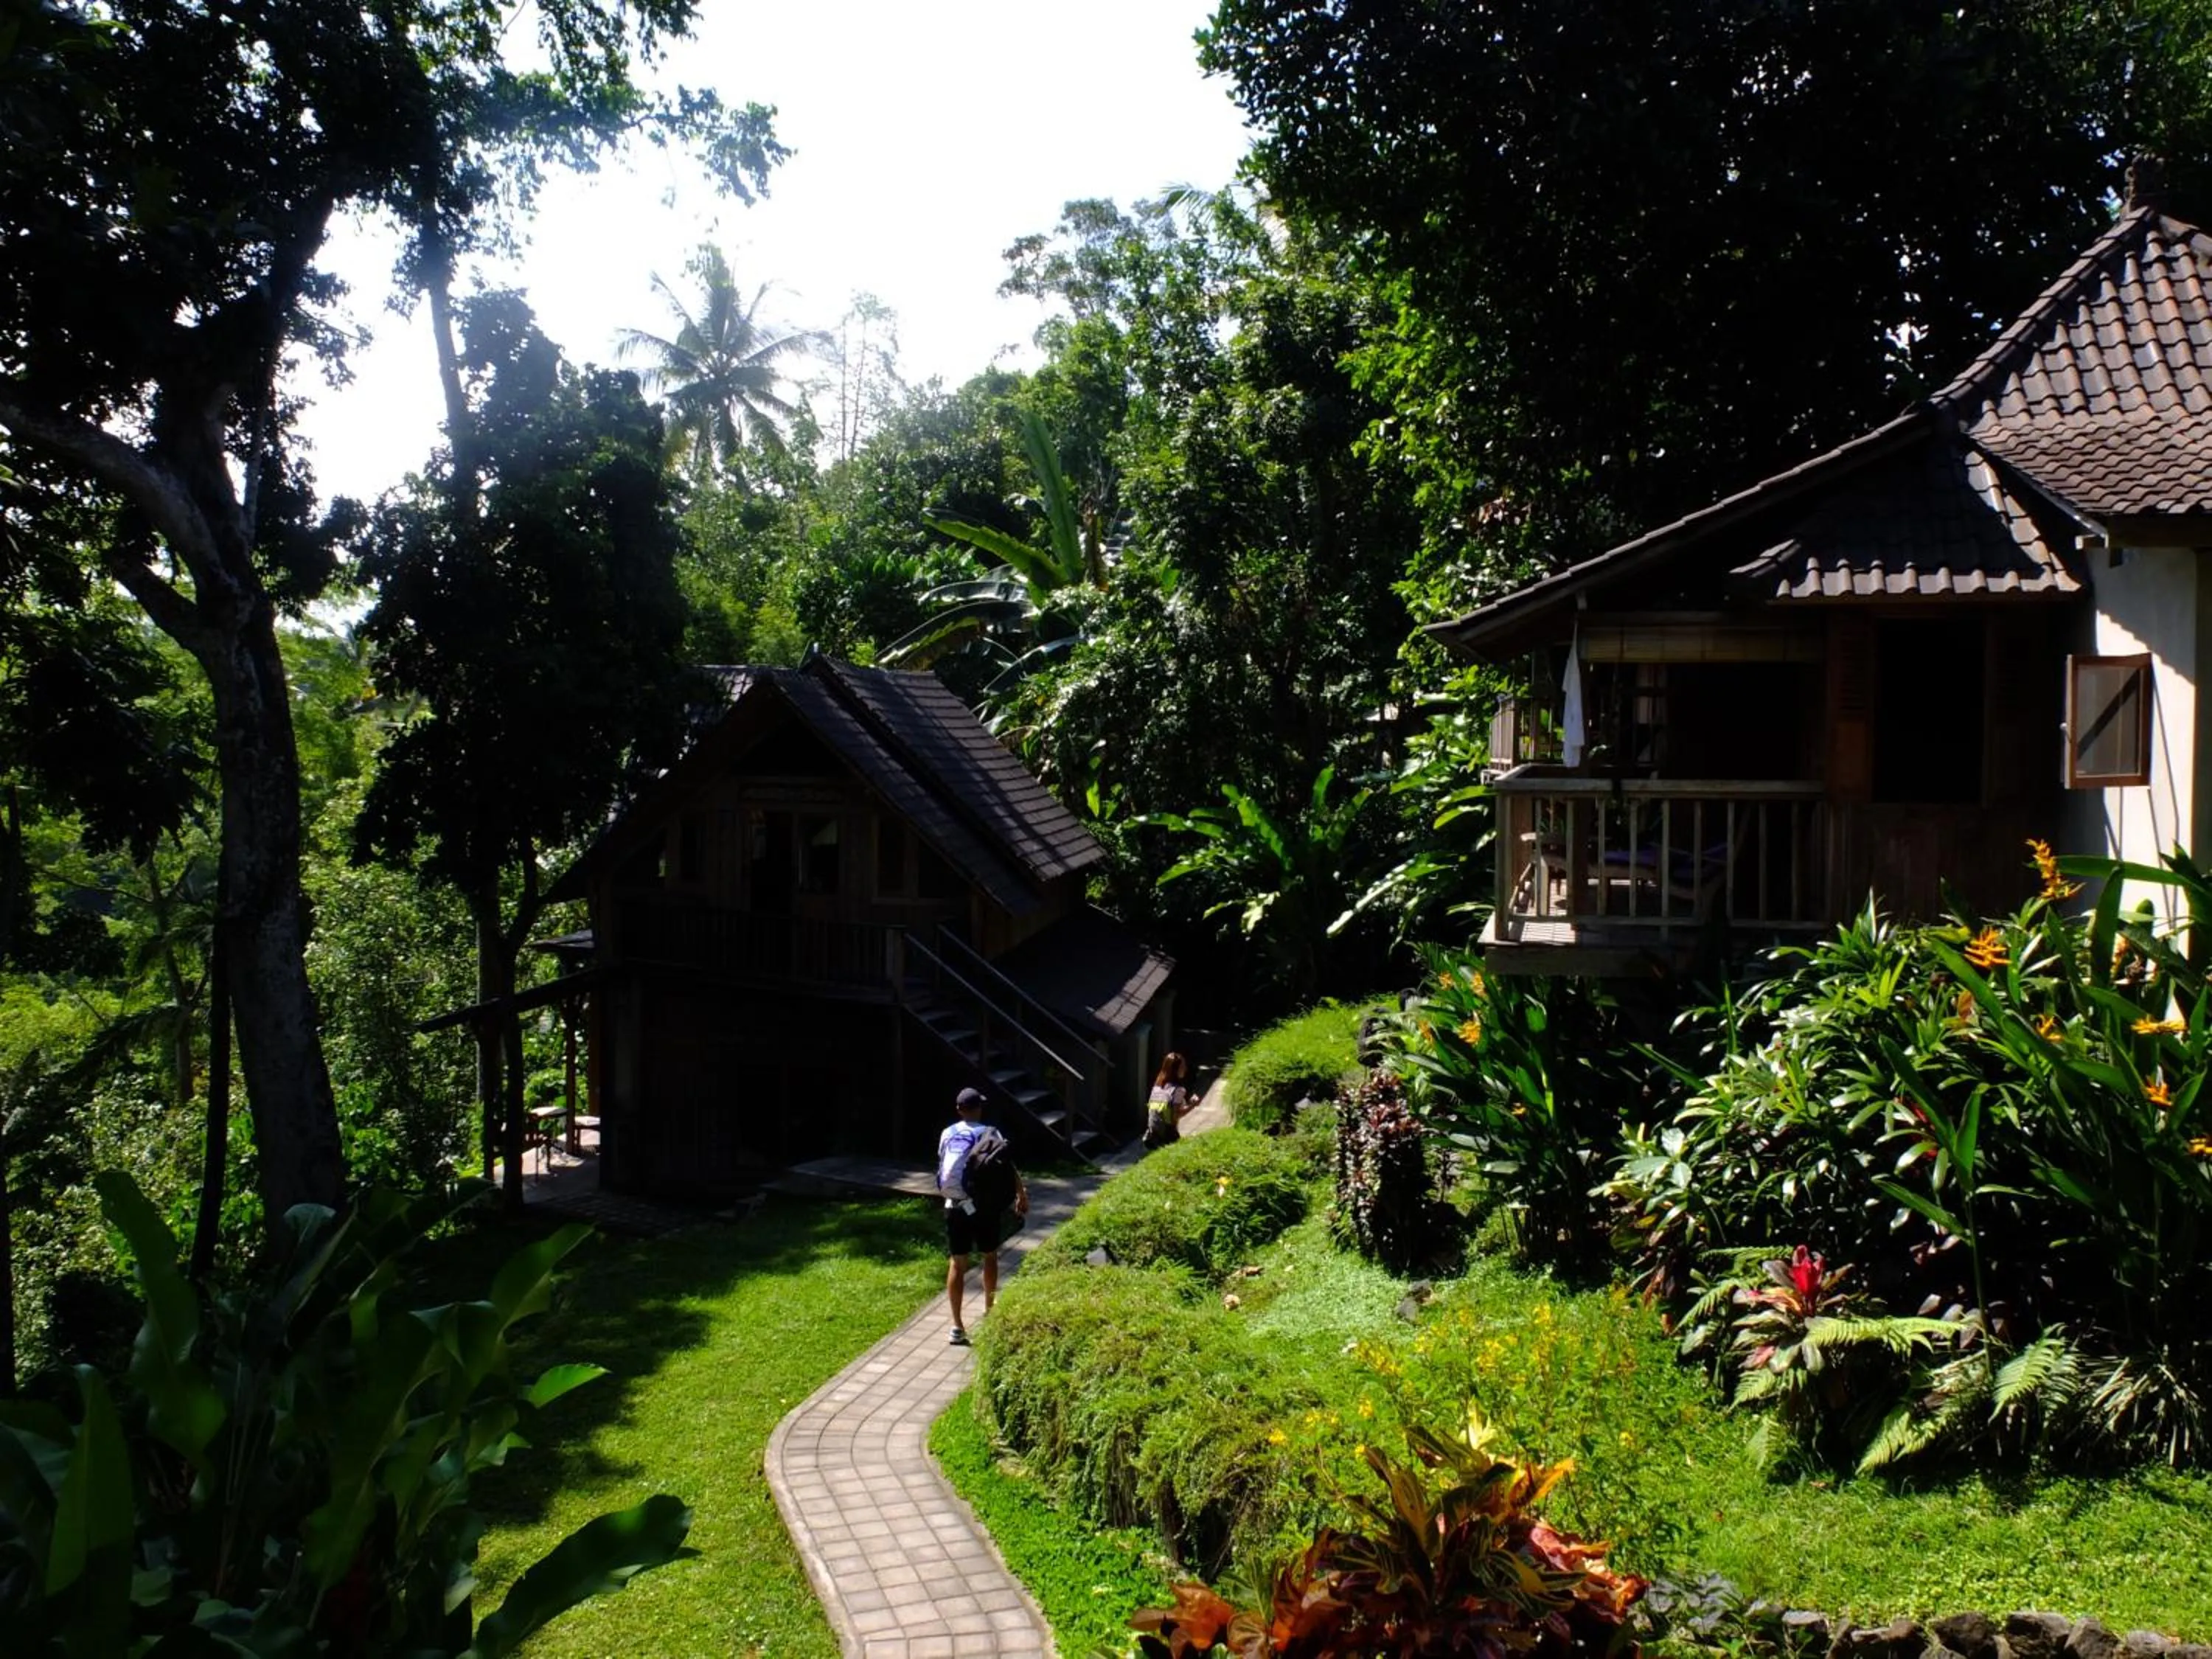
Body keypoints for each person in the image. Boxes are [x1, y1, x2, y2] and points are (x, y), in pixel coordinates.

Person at [937, 1086, 1026, 1346]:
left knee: (957, 1262)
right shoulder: (990, 1132)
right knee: (989, 1255)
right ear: (979, 1109)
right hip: (983, 1205)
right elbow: (1006, 1165)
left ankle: (956, 1326)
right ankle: (989, 1310)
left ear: (958, 1110)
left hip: (954, 1204)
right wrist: (1021, 1192)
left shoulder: (947, 1133)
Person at [1142, 1051, 1194, 1152]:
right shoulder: (1178, 1090)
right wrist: (1193, 1105)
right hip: (1168, 1137)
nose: (1185, 1069)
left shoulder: (1157, 1087)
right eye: (1183, 1067)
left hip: (1152, 1136)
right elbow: (1175, 1116)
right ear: (1176, 1070)